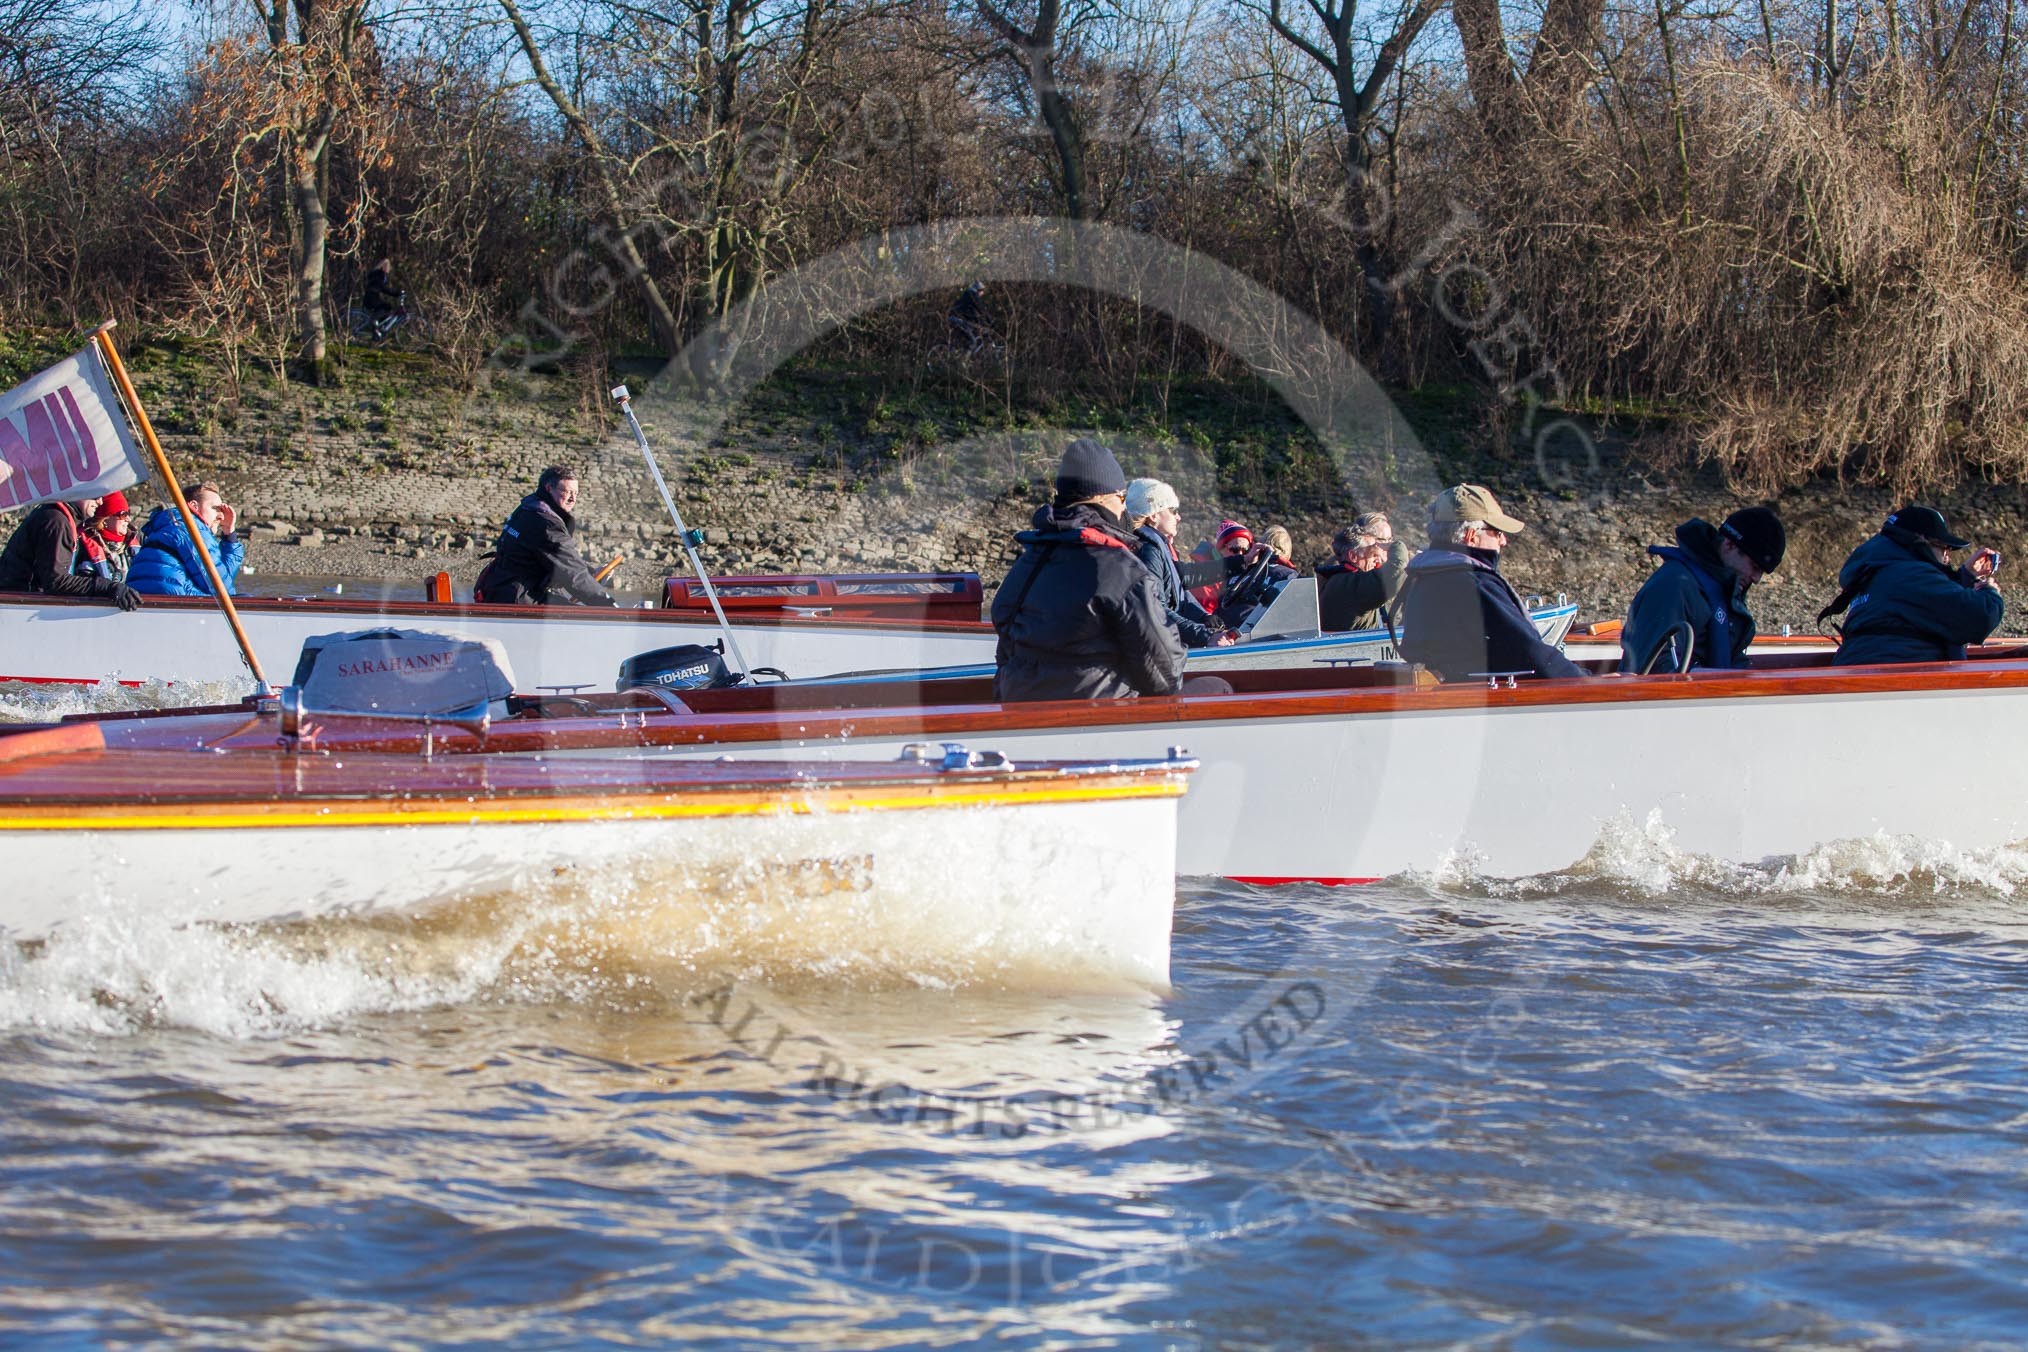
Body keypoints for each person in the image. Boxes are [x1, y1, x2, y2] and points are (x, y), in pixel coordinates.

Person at [991, 439, 1186, 702]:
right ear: (1103, 499)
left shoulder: (1030, 560)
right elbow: (1165, 675)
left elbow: (1004, 641)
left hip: (1017, 705)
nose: (1124, 508)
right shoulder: (1119, 568)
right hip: (1099, 715)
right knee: (1215, 686)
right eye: (1122, 498)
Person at [1396, 484, 1586, 682]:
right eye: (1497, 532)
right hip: (1479, 698)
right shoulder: (1474, 582)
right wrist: (1585, 680)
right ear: (1471, 536)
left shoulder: (1426, 575)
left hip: (1450, 693)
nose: (1503, 541)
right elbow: (1530, 652)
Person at [1824, 506, 2004, 666]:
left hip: (1859, 670)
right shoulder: (1911, 575)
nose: (1947, 555)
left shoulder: (1877, 572)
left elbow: (1925, 605)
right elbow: (1979, 617)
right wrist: (1989, 591)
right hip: (1896, 682)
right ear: (1920, 540)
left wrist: (1966, 576)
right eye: (1943, 546)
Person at [1619, 507, 1786, 673]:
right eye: (1755, 567)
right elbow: (1653, 667)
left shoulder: (1726, 587)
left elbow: (1732, 657)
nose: (1756, 579)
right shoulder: (1674, 586)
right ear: (1729, 545)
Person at [473, 465, 618, 606]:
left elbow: (560, 559)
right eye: (567, 492)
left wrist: (590, 572)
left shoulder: (527, 509)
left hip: (500, 588)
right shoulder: (546, 525)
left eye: (576, 493)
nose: (573, 499)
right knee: (583, 618)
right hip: (519, 598)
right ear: (549, 489)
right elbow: (573, 575)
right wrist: (609, 607)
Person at [1124, 478, 1236, 649]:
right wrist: (1206, 636)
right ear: (1154, 515)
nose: (1179, 517)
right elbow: (1155, 610)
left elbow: (1177, 592)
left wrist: (1202, 617)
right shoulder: (1148, 551)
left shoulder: (1157, 546)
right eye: (1173, 510)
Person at [0, 494, 144, 609]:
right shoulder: (57, 522)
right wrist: (108, 587)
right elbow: (56, 581)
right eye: (95, 495)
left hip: (18, 602)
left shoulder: (55, 515)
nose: (100, 502)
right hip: (19, 603)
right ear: (77, 491)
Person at [127, 483, 245, 597]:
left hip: (145, 596)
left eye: (222, 511)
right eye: (215, 508)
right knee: (244, 599)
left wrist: (229, 533)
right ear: (194, 506)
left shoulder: (169, 526)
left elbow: (223, 579)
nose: (221, 516)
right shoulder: (192, 527)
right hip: (172, 596)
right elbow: (221, 587)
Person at [1317, 512, 1409, 632]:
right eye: (1379, 542)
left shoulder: (1337, 574)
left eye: (1389, 540)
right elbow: (1396, 570)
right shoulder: (1350, 583)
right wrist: (1397, 546)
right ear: (1353, 556)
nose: (1381, 549)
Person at [75, 491, 137, 585]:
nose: (128, 519)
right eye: (123, 514)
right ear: (105, 518)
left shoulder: (138, 540)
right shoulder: (82, 546)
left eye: (129, 513)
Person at [948, 282, 991, 355]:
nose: (983, 293)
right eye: (982, 291)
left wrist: (981, 321)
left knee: (968, 334)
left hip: (953, 317)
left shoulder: (967, 295)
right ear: (978, 290)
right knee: (973, 342)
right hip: (959, 319)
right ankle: (963, 363)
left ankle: (957, 351)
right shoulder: (973, 296)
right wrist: (990, 320)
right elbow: (981, 309)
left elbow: (973, 313)